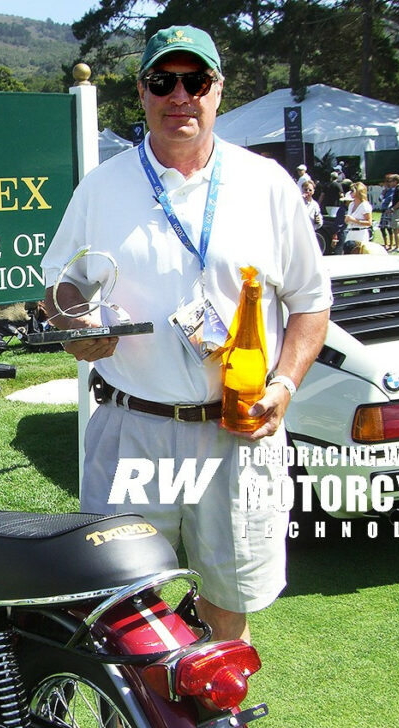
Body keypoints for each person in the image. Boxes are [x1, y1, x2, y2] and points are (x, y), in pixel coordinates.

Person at [40, 25, 331, 642]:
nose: (180, 96)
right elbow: (62, 287)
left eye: (195, 81)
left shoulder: (268, 186)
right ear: (142, 93)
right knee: (118, 608)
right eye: (163, 82)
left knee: (229, 610)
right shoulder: (102, 187)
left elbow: (311, 304)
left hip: (237, 434)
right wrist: (73, 325)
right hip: (131, 429)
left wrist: (283, 385)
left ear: (218, 90)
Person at [377, 176, 395, 250]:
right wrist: (383, 192)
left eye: (389, 182)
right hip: (384, 210)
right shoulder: (386, 191)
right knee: (382, 228)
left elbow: (391, 200)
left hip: (389, 210)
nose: (387, 183)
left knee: (389, 228)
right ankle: (386, 243)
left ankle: (391, 244)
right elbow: (380, 199)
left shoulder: (393, 190)